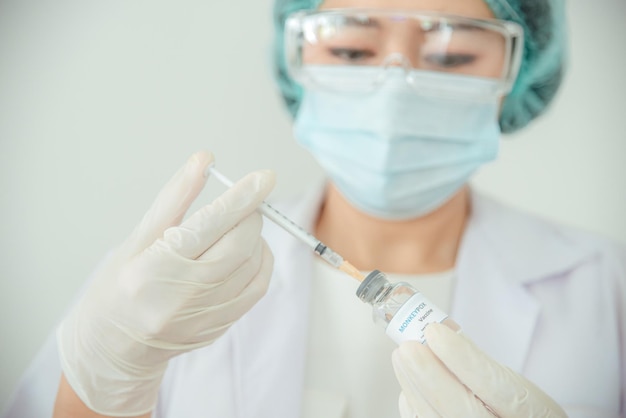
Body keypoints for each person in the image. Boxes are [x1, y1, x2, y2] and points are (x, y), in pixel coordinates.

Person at [2, 0, 625, 417]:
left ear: (518, 71)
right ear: (298, 60)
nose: (393, 89)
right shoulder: (158, 286)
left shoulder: (609, 289)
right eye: (352, 51)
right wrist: (94, 387)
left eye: (450, 56)